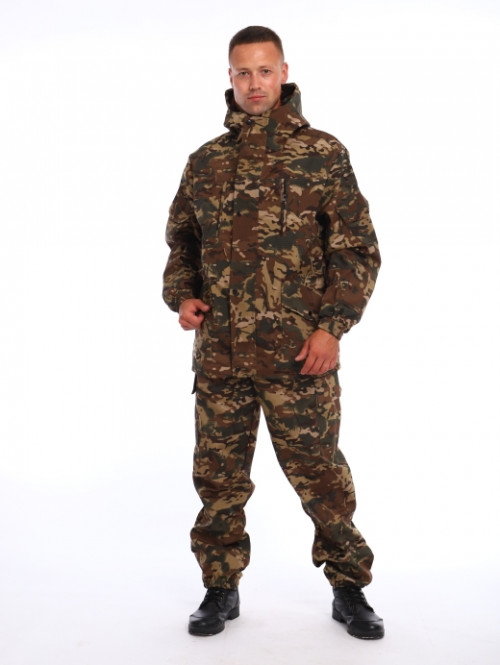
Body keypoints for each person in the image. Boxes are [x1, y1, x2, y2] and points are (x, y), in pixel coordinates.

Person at [162, 25, 384, 640]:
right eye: (243, 72)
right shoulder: (206, 161)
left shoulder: (323, 153)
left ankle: (349, 587)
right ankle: (220, 586)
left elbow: (356, 251)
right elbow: (182, 242)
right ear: (229, 78)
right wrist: (182, 294)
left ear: (283, 72)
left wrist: (332, 329)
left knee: (321, 477)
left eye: (264, 71)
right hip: (221, 357)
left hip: (299, 356)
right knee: (218, 480)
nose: (254, 84)